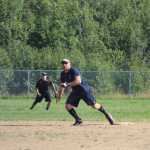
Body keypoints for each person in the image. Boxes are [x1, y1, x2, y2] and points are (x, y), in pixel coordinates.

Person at [57, 59, 115, 126]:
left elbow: (78, 81)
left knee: (94, 105)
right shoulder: (62, 74)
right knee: (68, 106)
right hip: (75, 91)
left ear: (69, 64)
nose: (64, 64)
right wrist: (60, 94)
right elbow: (62, 85)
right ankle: (78, 120)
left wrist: (67, 84)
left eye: (66, 63)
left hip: (83, 89)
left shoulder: (73, 70)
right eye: (63, 63)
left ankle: (107, 114)